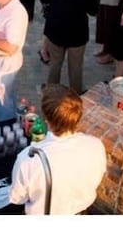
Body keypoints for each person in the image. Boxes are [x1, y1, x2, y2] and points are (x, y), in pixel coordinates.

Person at [9, 84, 106, 215]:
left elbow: (18, 198)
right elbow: (95, 181)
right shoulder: (95, 145)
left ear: (45, 118)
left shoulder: (29, 158)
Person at [40, 0, 98, 94]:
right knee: (76, 68)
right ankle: (76, 96)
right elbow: (93, 10)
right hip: (77, 32)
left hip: (55, 28)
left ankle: (51, 94)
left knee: (55, 65)